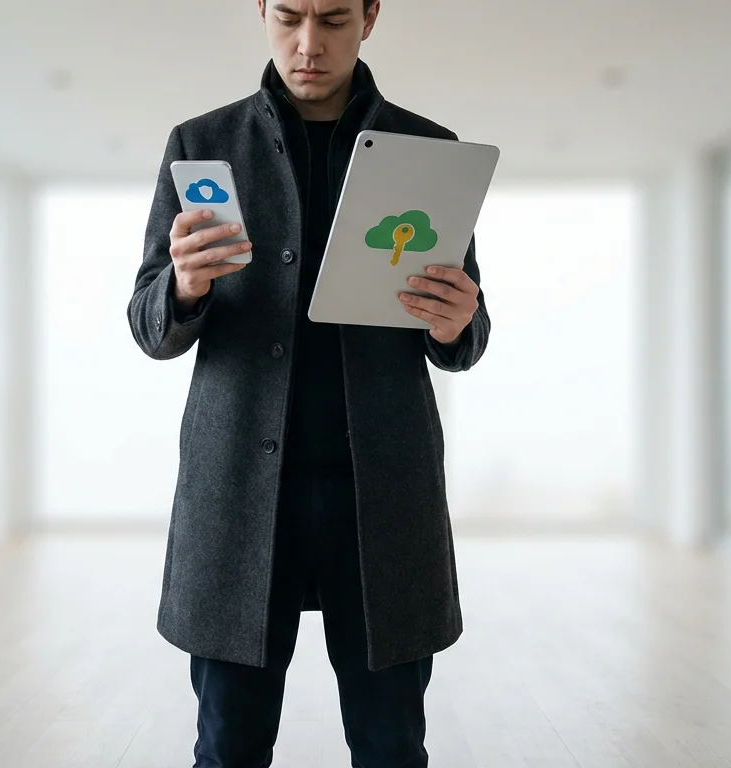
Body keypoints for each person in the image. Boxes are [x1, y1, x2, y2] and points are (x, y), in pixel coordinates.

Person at [126, 0, 489, 764]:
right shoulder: (203, 145)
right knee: (229, 746)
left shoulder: (428, 152)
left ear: (371, 16)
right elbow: (150, 325)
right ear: (260, 11)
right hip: (240, 494)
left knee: (392, 745)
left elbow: (463, 339)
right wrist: (185, 286)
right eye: (289, 17)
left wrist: (456, 322)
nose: (309, 44)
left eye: (332, 21)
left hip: (381, 493)